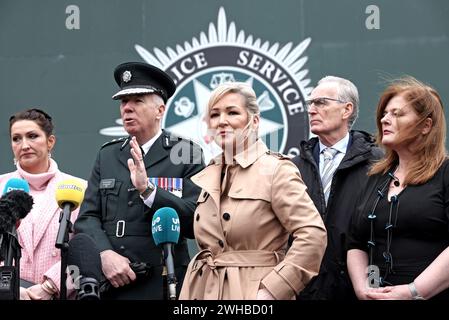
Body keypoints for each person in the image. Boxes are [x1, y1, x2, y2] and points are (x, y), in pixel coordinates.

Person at [179, 82, 327, 300]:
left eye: (232, 112)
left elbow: (313, 235)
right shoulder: (209, 173)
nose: (222, 121)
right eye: (214, 114)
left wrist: (272, 291)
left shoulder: (276, 169)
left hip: (254, 292)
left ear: (254, 121)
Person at [74, 62, 205, 300]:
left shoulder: (186, 153)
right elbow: (87, 218)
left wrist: (149, 191)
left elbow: (197, 221)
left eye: (138, 101)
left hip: (165, 282)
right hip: (113, 281)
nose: (127, 108)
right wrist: (105, 254)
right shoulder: (108, 155)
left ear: (160, 110)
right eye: (124, 102)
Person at [347, 76, 449, 300]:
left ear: (426, 125)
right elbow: (355, 242)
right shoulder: (375, 177)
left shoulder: (445, 172)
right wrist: (363, 289)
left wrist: (413, 291)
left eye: (397, 114)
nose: (385, 119)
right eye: (384, 113)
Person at [292, 76, 383, 300]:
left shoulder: (379, 163)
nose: (311, 110)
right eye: (310, 104)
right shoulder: (292, 167)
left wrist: (372, 286)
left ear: (347, 110)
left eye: (321, 102)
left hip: (360, 287)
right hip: (305, 289)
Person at [0, 108, 86, 300]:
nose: (24, 145)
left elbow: (86, 251)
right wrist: (10, 287)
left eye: (32, 136)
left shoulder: (79, 188)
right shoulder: (1, 187)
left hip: (61, 294)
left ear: (50, 142)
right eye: (16, 138)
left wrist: (50, 286)